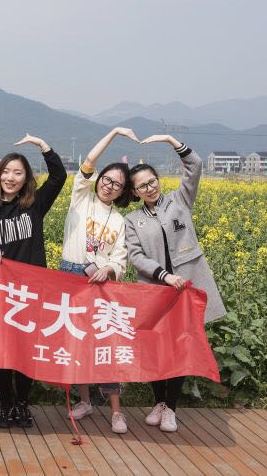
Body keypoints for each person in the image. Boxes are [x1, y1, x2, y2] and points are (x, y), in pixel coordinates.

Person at [125, 135, 227, 433]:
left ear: (158, 180)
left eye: (152, 181)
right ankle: (158, 402)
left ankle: (171, 408)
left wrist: (171, 140)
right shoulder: (133, 220)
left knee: (181, 346)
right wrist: (163, 275)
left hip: (186, 289)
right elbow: (135, 256)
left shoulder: (179, 201)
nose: (150, 188)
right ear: (135, 192)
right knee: (156, 348)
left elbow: (195, 166)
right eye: (142, 186)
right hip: (156, 291)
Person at [0, 134, 67, 428]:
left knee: (27, 349)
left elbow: (59, 175)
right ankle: (5, 404)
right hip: (1, 292)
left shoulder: (35, 204)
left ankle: (22, 404)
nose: (11, 177)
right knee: (3, 350)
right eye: (6, 171)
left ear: (26, 178)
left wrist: (42, 145)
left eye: (18, 173)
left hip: (31, 292)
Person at [59, 127, 137, 434]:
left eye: (117, 184)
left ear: (122, 192)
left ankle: (116, 411)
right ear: (98, 179)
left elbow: (120, 260)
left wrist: (110, 270)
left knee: (106, 342)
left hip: (100, 283)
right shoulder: (81, 199)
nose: (109, 186)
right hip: (70, 275)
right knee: (75, 340)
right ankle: (85, 401)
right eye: (107, 179)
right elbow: (89, 161)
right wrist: (114, 133)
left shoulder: (120, 221)